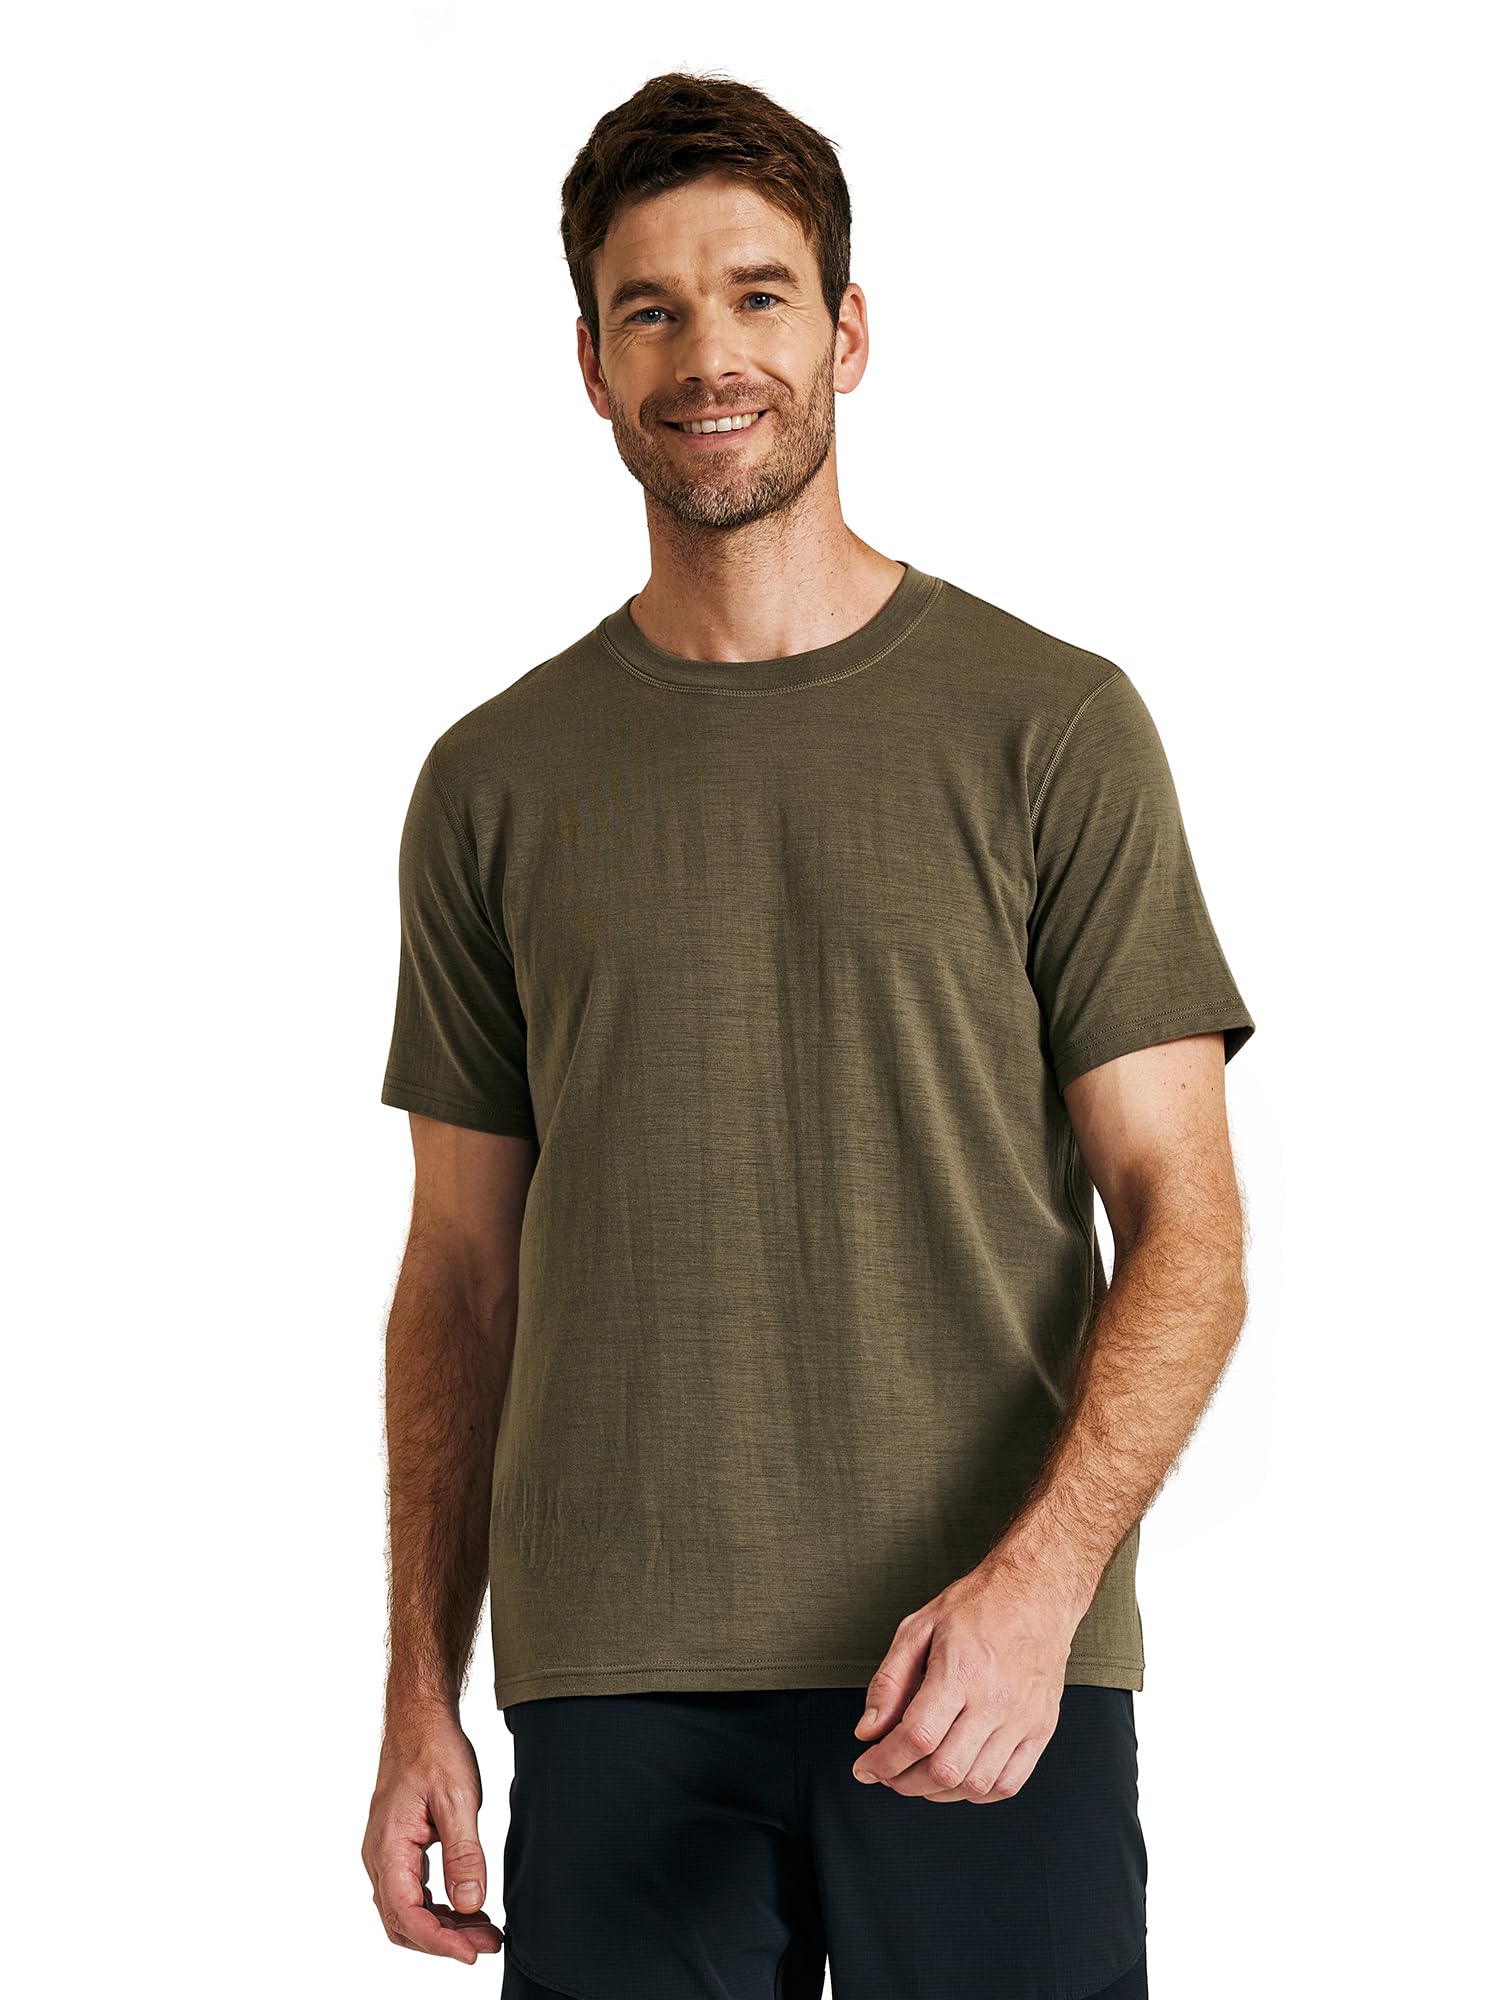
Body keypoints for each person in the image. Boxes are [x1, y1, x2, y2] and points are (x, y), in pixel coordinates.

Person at [362, 69, 1255, 2000]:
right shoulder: (493, 782)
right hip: (616, 1686)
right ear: (591, 365)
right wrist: (420, 1690)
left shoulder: (1052, 729)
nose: (709, 355)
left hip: (988, 1667)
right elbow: (460, 1273)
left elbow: (1187, 1221)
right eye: (651, 309)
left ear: (847, 331)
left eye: (758, 295)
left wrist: (1041, 1590)